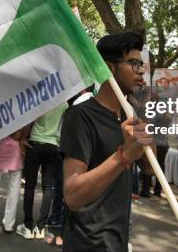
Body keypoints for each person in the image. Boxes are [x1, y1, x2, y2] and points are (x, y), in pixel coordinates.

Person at [59, 31, 153, 252]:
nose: (141, 71)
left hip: (118, 240)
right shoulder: (80, 116)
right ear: (110, 68)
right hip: (88, 243)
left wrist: (143, 117)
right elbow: (72, 195)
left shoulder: (129, 116)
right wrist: (124, 156)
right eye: (133, 63)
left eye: (142, 65)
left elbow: (150, 168)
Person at [16, 103, 67, 239]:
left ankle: (27, 226)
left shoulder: (42, 99)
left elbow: (29, 121)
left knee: (30, 186)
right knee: (48, 187)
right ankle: (40, 227)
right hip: (53, 146)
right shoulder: (64, 104)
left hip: (35, 144)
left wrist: (23, 138)